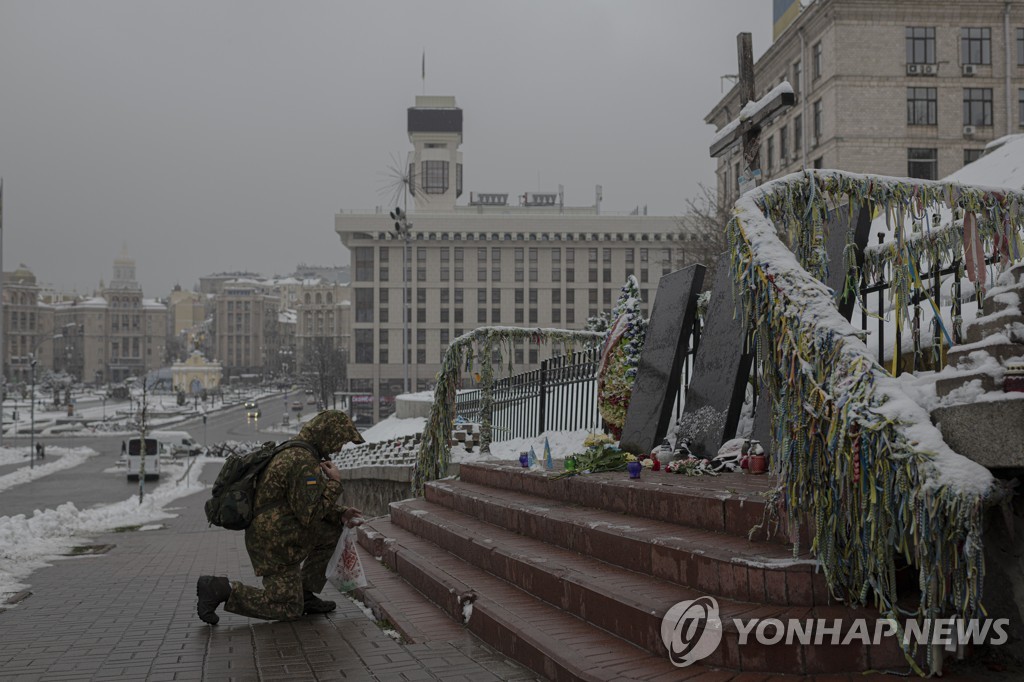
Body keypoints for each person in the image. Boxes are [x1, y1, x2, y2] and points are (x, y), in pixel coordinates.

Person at [196, 410, 365, 624]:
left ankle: (304, 594)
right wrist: (335, 484)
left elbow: (300, 502)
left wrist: (340, 514)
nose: (339, 447)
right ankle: (221, 589)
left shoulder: (295, 451)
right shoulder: (303, 461)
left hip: (278, 533)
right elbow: (309, 514)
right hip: (275, 542)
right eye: (340, 440)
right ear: (327, 434)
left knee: (332, 531)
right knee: (287, 607)